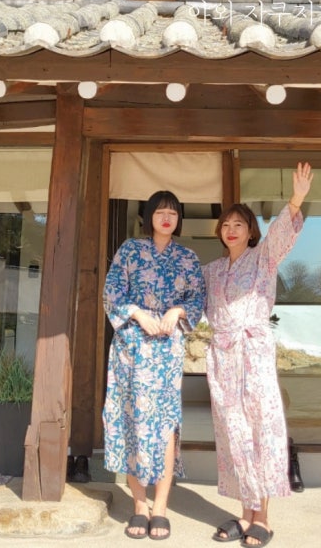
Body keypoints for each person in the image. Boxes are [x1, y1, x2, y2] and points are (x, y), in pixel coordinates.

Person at [203, 162, 313, 548]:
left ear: (251, 231)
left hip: (254, 352)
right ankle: (244, 512)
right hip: (223, 355)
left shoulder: (264, 257)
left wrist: (295, 200)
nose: (231, 229)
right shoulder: (211, 271)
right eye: (226, 224)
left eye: (239, 224)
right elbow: (188, 298)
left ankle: (262, 516)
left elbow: (282, 237)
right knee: (232, 433)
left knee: (260, 428)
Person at [102, 190, 206, 540]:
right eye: (160, 212)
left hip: (166, 351)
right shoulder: (130, 250)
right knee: (133, 420)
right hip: (132, 348)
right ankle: (139, 505)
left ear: (179, 220)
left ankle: (160, 508)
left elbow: (197, 297)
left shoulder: (188, 257)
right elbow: (112, 291)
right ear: (149, 217)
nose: (166, 218)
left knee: (166, 425)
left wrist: (178, 310)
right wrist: (137, 313)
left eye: (173, 213)